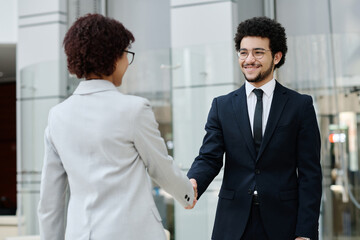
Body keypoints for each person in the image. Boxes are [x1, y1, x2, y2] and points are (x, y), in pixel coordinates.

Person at [37, 13, 196, 240]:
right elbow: (160, 166)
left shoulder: (57, 116)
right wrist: (187, 194)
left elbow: (50, 200)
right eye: (126, 55)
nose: (127, 64)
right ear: (112, 57)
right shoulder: (134, 109)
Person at [187, 16, 322, 240]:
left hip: (284, 224)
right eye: (243, 52)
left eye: (258, 52)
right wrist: (193, 182)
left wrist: (305, 231)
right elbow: (209, 158)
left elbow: (310, 174)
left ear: (276, 57)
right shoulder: (222, 106)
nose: (249, 59)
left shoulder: (300, 106)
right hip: (232, 223)